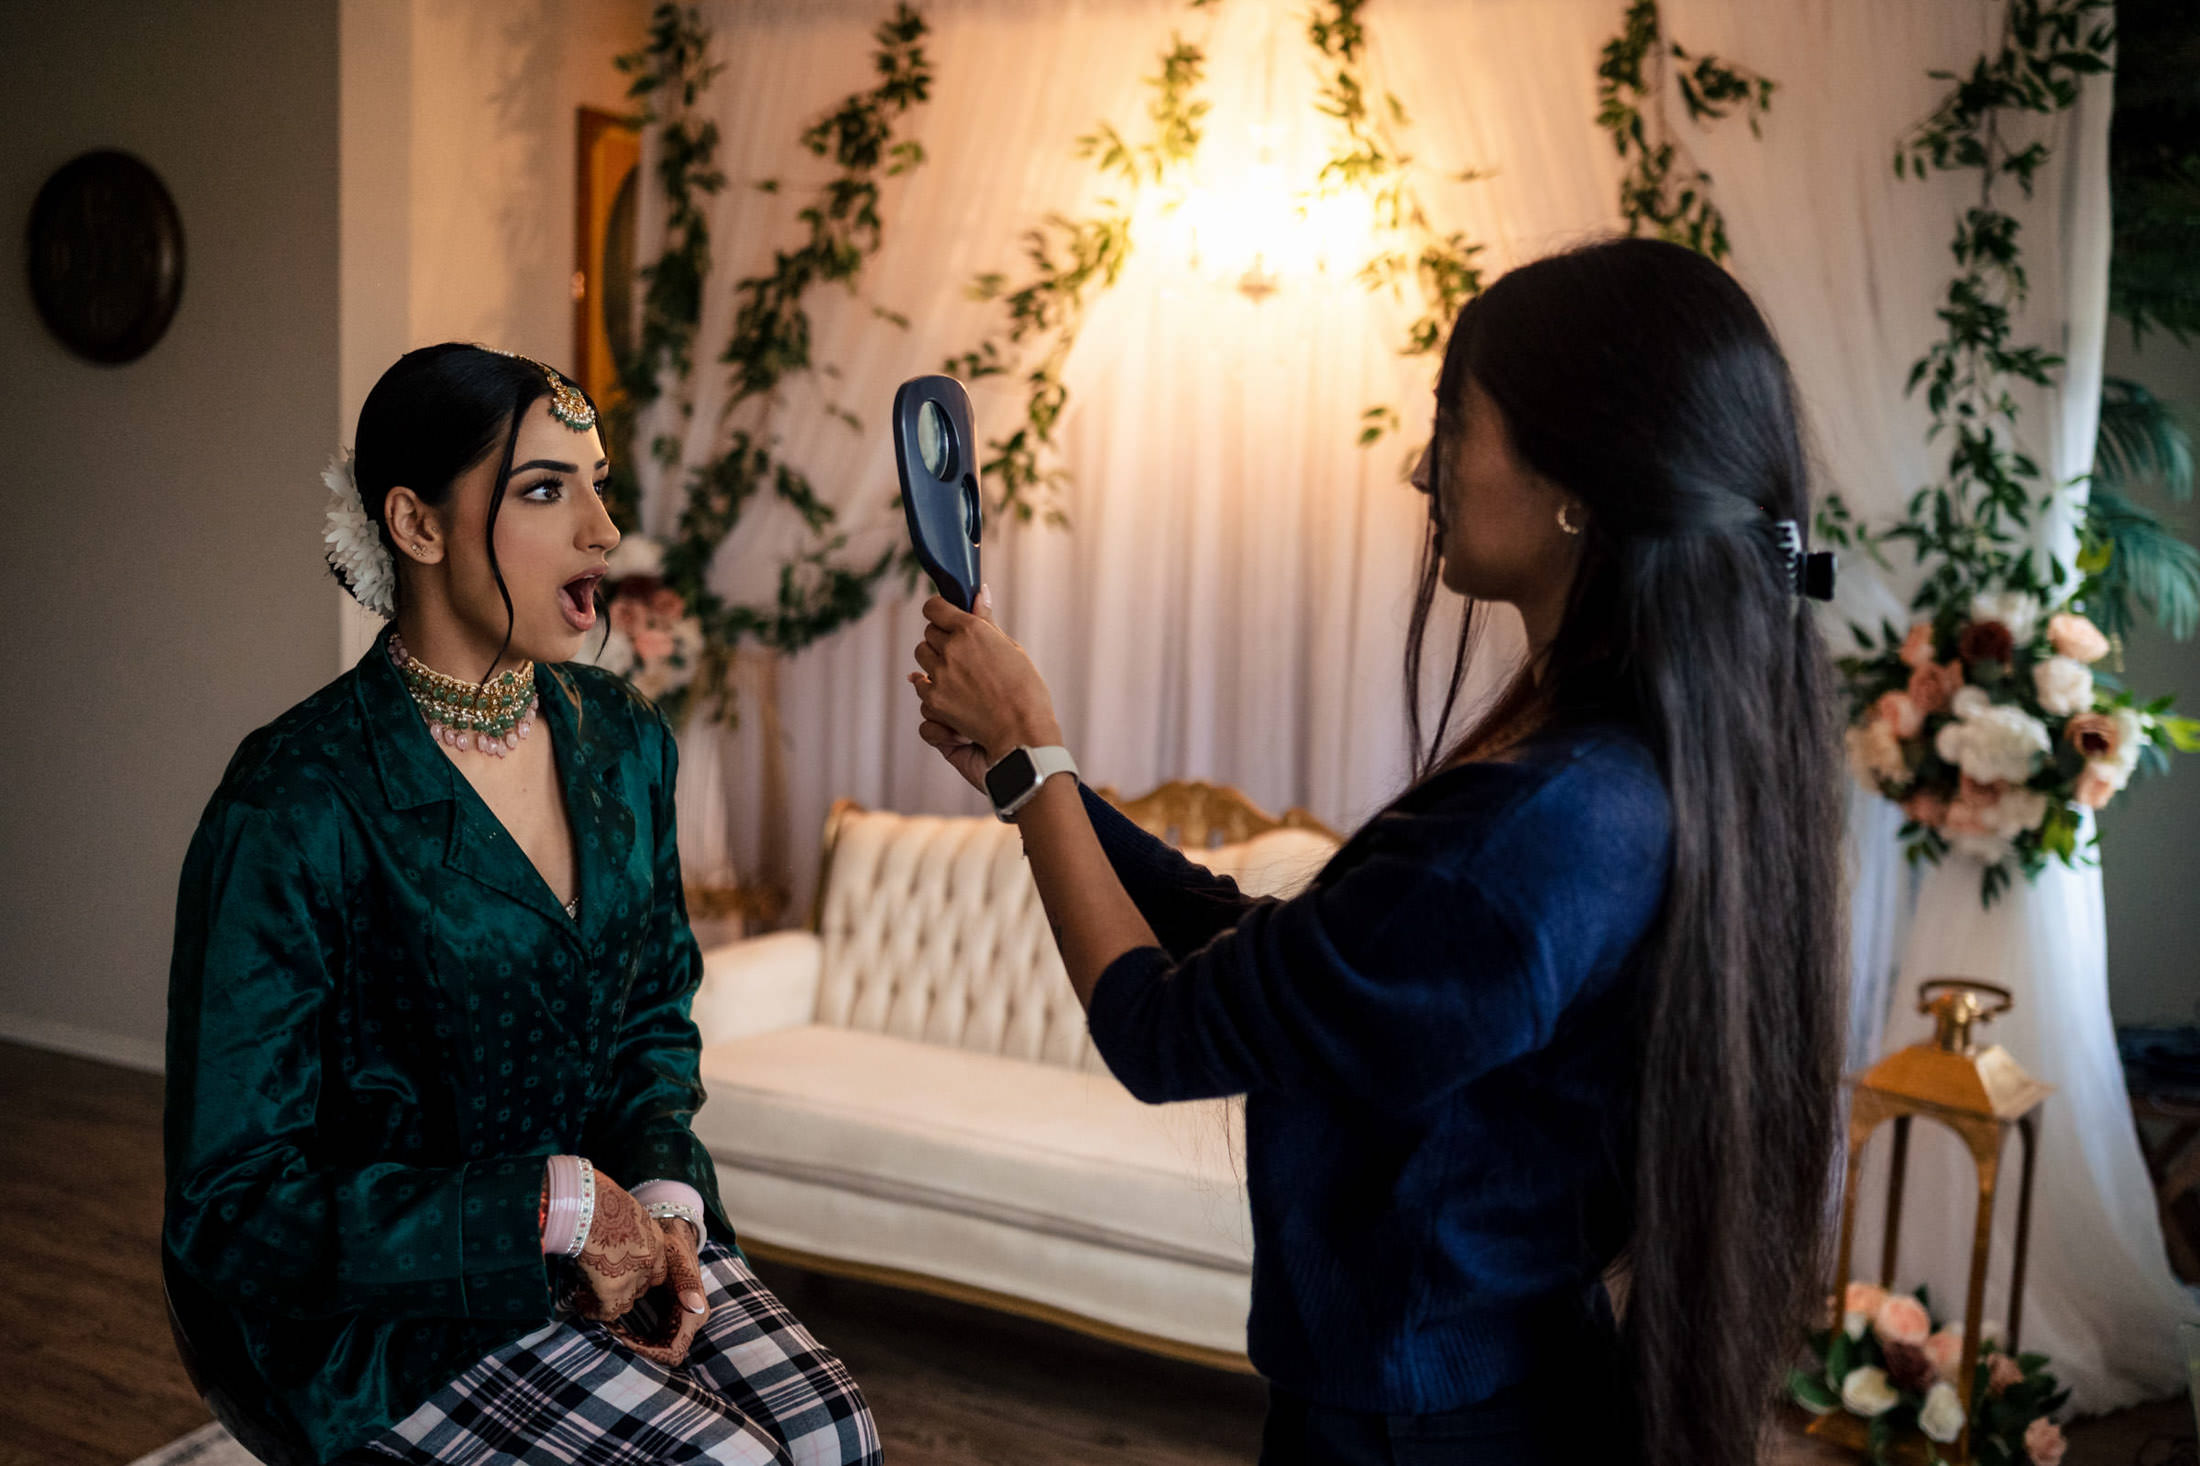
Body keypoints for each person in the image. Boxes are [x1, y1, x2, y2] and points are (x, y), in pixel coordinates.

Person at [907, 236, 1846, 1466]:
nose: (1422, 467)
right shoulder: (1618, 776)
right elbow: (1281, 956)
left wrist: (1035, 765)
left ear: (1580, 479)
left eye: (1454, 425)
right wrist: (1041, 779)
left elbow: (1161, 1028)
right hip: (1486, 1382)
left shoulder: (1542, 825)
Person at [163, 343, 879, 1466]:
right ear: (415, 523)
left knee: (837, 1432)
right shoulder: (296, 801)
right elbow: (236, 1207)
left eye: (597, 482)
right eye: (546, 489)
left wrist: (660, 1200)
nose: (603, 528)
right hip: (376, 1326)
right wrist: (548, 1209)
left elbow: (652, 1021)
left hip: (616, 1238)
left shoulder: (623, 737)